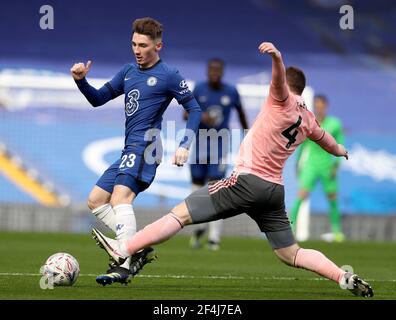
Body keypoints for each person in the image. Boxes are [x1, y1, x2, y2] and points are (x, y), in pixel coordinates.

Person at [91, 41, 373, 297]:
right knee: (291, 254)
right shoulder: (309, 120)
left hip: (247, 182)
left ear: (287, 86)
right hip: (273, 192)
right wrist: (341, 151)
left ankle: (125, 248)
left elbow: (277, 78)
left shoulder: (281, 99)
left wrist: (277, 56)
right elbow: (329, 142)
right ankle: (342, 275)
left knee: (178, 214)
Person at [71, 17, 201, 285]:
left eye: (143, 45)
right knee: (95, 200)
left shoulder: (169, 75)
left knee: (120, 199)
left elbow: (196, 109)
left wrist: (185, 145)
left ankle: (124, 263)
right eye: (133, 44)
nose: (137, 50)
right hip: (129, 147)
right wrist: (82, 81)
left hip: (147, 145)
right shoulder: (128, 71)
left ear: (159, 46)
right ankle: (136, 246)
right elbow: (98, 99)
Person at [187, 58, 248, 250]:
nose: (214, 73)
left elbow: (241, 113)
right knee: (196, 190)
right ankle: (200, 226)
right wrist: (201, 116)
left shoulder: (230, 92)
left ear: (222, 72)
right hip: (199, 143)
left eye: (217, 70)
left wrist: (249, 136)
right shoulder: (199, 89)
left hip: (220, 145)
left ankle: (214, 237)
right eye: (211, 70)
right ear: (207, 72)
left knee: (216, 188)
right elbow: (185, 113)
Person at [290, 95, 345, 242]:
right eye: (316, 105)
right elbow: (302, 146)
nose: (319, 108)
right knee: (301, 195)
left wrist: (336, 165)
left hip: (327, 166)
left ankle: (337, 231)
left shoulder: (335, 124)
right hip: (310, 166)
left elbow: (340, 144)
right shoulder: (309, 122)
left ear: (325, 106)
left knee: (332, 198)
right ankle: (291, 228)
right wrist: (297, 164)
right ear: (314, 106)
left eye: (321, 105)